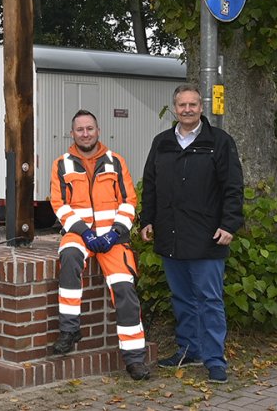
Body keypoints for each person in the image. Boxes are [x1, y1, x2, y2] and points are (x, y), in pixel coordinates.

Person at [139, 83, 244, 384]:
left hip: (208, 236)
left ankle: (214, 360)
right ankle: (189, 350)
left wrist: (229, 224)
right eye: (182, 105)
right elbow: (151, 184)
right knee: (182, 298)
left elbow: (233, 188)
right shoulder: (162, 143)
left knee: (209, 300)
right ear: (174, 108)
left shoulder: (219, 142)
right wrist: (147, 219)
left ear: (201, 107)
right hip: (171, 236)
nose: (187, 109)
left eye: (193, 105)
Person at [49, 110, 151, 381]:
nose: (85, 133)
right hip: (79, 235)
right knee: (69, 257)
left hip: (113, 238)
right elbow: (59, 205)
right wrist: (85, 232)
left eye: (89, 128)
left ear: (98, 130)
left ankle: (134, 358)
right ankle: (70, 330)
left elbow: (129, 201)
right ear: (72, 133)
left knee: (124, 288)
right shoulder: (62, 164)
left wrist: (115, 233)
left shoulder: (116, 162)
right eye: (80, 129)